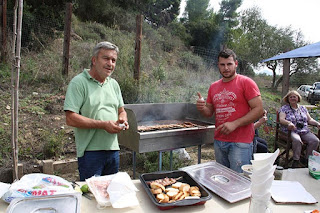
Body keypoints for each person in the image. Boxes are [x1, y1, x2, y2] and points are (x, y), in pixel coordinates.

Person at [64, 41, 129, 181]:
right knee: (91, 197)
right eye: (106, 58)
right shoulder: (79, 83)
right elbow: (70, 118)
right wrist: (103, 124)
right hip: (90, 153)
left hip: (113, 150)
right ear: (94, 60)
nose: (110, 63)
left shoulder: (113, 84)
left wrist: (123, 119)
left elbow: (121, 111)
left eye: (113, 60)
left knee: (110, 193)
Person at [196, 48, 264, 173]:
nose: (226, 68)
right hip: (219, 141)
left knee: (239, 182)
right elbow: (209, 112)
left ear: (236, 64)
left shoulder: (246, 82)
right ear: (218, 65)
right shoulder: (214, 86)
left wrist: (235, 124)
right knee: (223, 178)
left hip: (240, 142)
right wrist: (202, 107)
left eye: (229, 64)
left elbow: (259, 110)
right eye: (222, 65)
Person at [279, 90, 320, 168]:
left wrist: (317, 123)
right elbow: (281, 119)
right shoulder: (284, 108)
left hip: (304, 130)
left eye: (294, 96)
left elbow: (309, 120)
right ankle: (296, 160)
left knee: (315, 140)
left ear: (298, 98)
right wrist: (289, 123)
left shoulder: (303, 108)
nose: (293, 98)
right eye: (290, 97)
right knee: (297, 140)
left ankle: (307, 159)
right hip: (291, 130)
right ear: (288, 99)